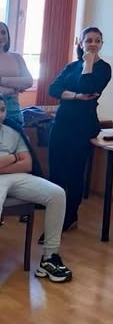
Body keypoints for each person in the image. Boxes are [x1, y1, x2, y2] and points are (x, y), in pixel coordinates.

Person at [0, 97, 73, 281]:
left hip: (17, 176)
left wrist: (7, 163)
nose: (0, 114)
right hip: (7, 175)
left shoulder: (12, 131)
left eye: (2, 109)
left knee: (57, 194)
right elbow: (20, 160)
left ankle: (49, 258)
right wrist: (13, 158)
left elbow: (27, 164)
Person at [48, 26, 112, 232]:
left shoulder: (104, 68)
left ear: (101, 44)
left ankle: (70, 216)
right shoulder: (71, 66)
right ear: (81, 43)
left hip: (83, 125)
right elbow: (53, 89)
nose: (93, 44)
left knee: (74, 172)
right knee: (56, 170)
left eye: (97, 40)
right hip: (62, 122)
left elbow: (87, 87)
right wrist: (75, 96)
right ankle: (54, 213)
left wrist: (89, 63)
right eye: (89, 40)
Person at [0, 21, 34, 129]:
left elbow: (29, 81)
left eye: (3, 32)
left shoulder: (17, 57)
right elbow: (22, 83)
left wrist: (1, 80)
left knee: (16, 138)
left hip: (13, 109)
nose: (1, 36)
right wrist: (14, 85)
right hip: (9, 99)